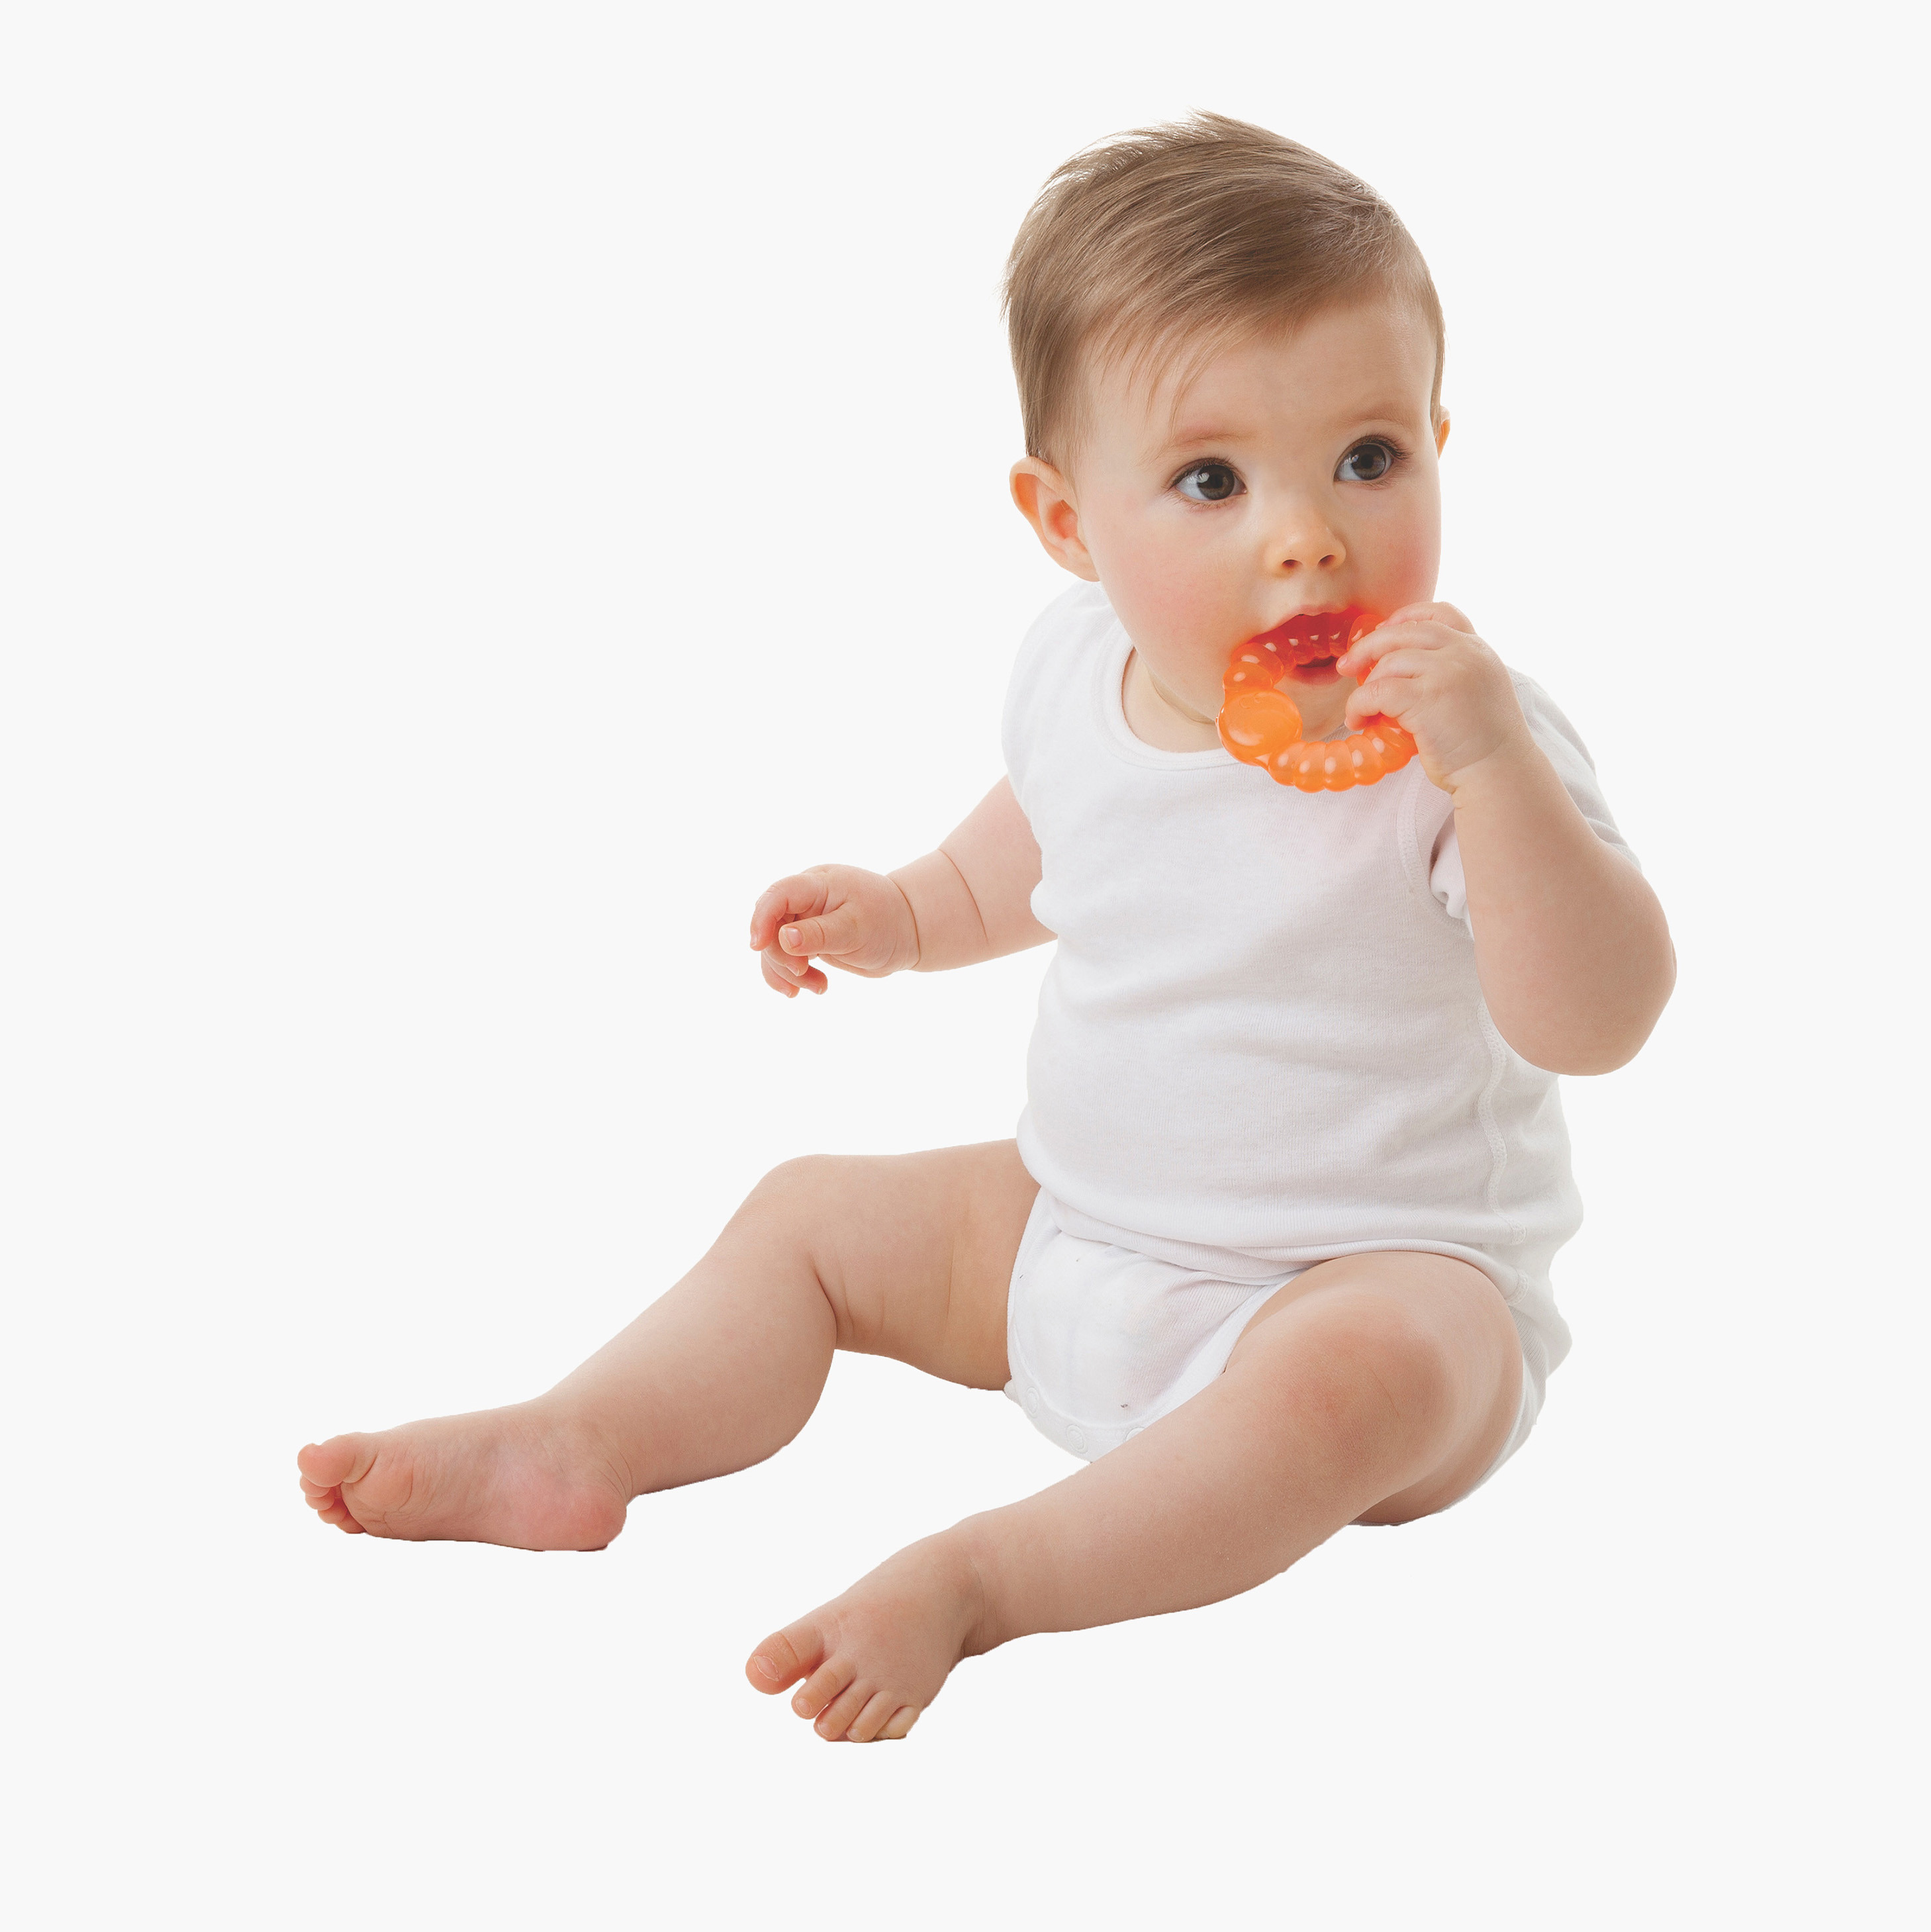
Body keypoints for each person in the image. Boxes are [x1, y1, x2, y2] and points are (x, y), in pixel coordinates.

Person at [298, 113, 1675, 1744]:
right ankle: (578, 1440)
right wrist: (910, 910)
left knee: (1366, 1375)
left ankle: (979, 1581)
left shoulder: (1468, 746)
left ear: (1439, 442)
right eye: (1212, 481)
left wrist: (1496, 775)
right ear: (1067, 523)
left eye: (1368, 460)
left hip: (1367, 1278)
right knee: (808, 1214)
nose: (1305, 534)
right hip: (1073, 1222)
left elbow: (1597, 1017)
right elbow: (1046, 839)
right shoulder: (1076, 670)